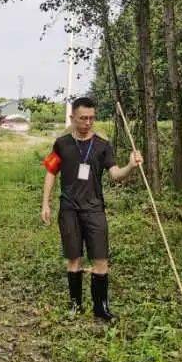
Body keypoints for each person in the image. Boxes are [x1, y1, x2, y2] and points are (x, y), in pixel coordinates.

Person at [41, 97, 142, 320]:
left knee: (100, 259)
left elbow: (115, 174)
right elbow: (50, 171)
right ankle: (75, 305)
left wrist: (130, 167)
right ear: (72, 118)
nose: (88, 122)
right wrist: (45, 203)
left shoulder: (102, 146)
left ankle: (101, 309)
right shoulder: (62, 143)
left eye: (91, 118)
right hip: (69, 209)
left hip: (95, 210)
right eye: (83, 118)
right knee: (73, 258)